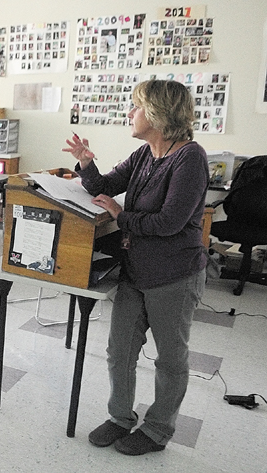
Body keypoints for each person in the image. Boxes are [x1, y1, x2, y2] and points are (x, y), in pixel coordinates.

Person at [62, 79, 208, 456]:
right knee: (120, 350)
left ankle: (158, 429)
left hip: (175, 274)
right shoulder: (144, 154)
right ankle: (120, 417)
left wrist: (122, 216)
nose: (130, 113)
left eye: (136, 107)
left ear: (158, 114)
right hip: (136, 269)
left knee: (170, 358)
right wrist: (85, 163)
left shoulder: (190, 157)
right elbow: (106, 185)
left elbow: (170, 222)